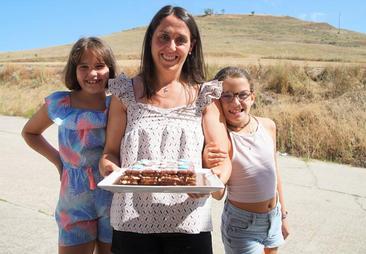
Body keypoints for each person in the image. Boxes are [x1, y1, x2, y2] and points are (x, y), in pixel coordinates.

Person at [99, 5, 231, 254]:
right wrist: (110, 170)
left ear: (191, 46)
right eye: (164, 37)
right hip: (131, 223)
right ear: (150, 40)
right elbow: (110, 153)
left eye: (180, 40)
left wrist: (214, 181)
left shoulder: (205, 96)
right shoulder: (124, 93)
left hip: (190, 224)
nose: (171, 47)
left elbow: (221, 160)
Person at [22, 37, 117, 254]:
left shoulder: (117, 105)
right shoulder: (61, 104)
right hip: (74, 200)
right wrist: (58, 161)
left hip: (113, 196)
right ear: (74, 71)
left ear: (109, 69)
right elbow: (30, 132)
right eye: (84, 67)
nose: (92, 74)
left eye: (99, 66)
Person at [204, 66, 290, 254]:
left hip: (273, 217)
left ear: (252, 97)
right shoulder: (223, 138)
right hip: (242, 225)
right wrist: (208, 168)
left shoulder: (268, 126)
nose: (235, 102)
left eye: (242, 95)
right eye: (226, 96)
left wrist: (283, 215)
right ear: (217, 101)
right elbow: (218, 195)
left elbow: (275, 173)